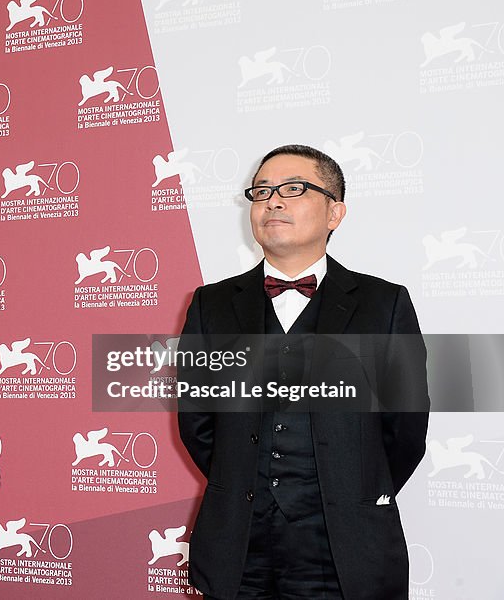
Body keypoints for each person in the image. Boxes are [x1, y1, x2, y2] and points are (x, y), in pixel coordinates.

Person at [176, 144, 429, 600]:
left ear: (335, 213)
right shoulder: (210, 305)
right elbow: (197, 421)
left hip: (345, 549)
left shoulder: (384, 304)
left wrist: (350, 486)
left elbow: (406, 429)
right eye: (262, 191)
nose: (273, 201)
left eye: (294, 189)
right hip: (238, 548)